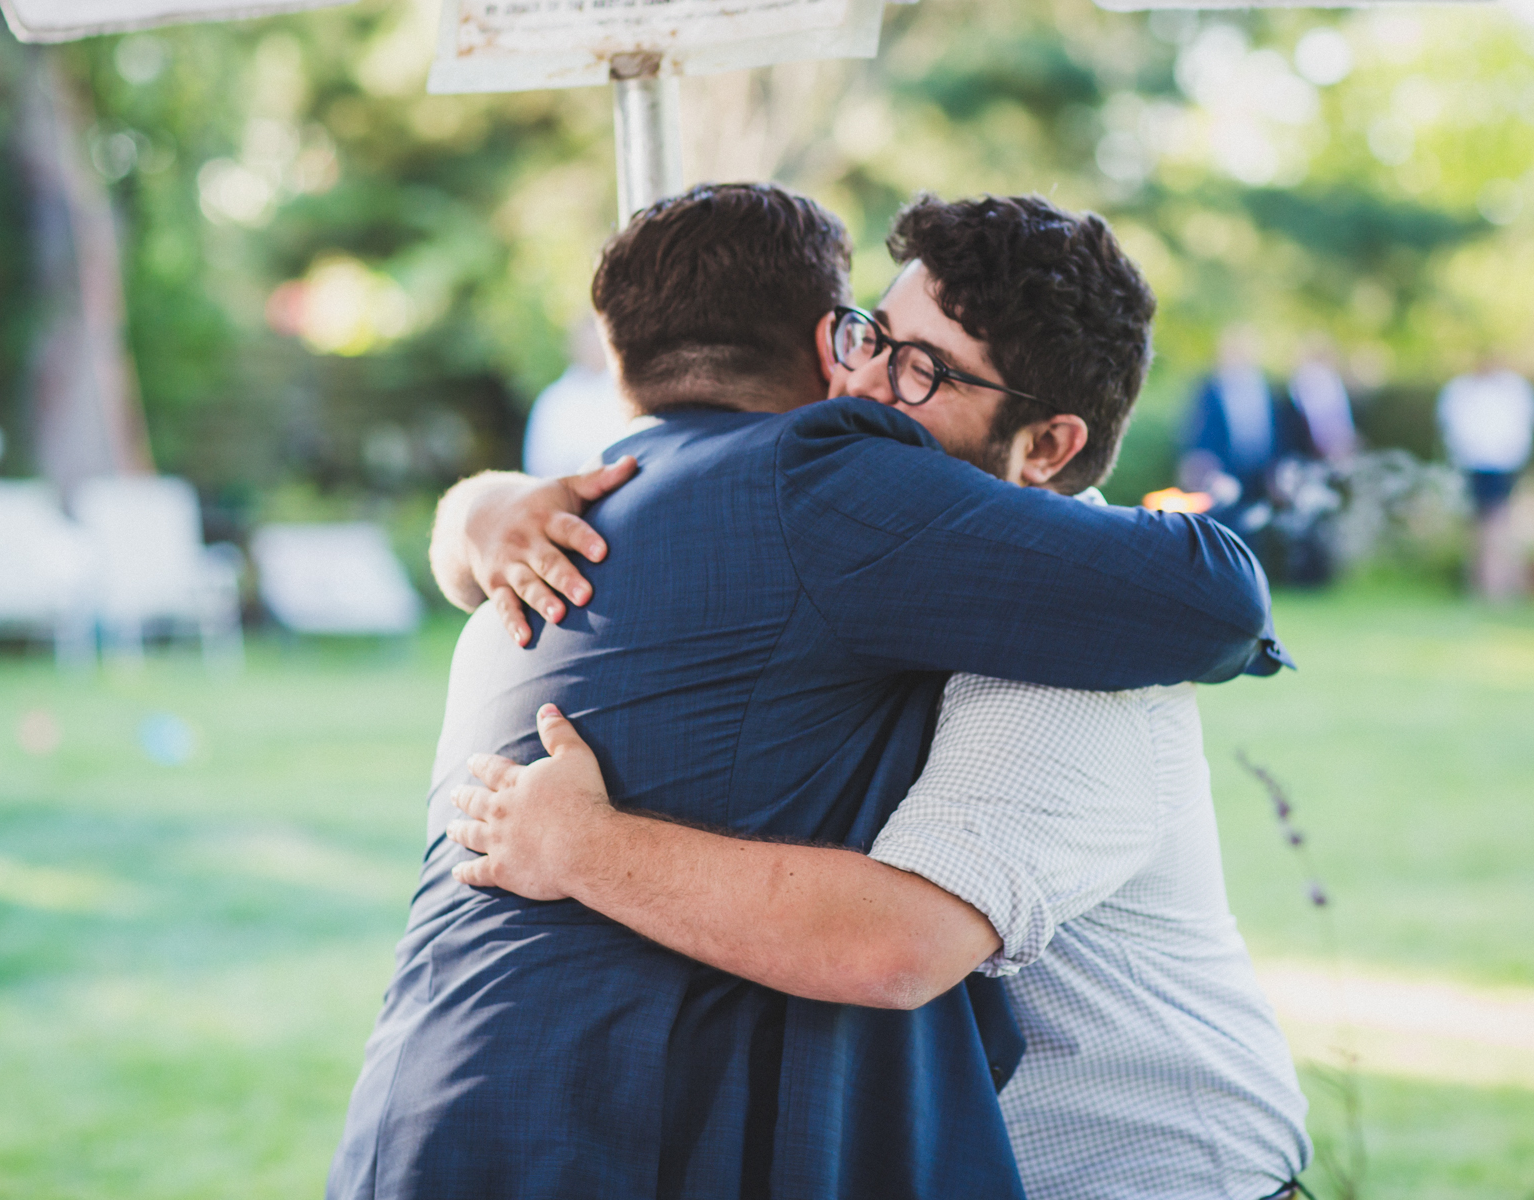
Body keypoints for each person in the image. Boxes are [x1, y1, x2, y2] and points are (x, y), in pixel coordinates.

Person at [325, 185, 1287, 1200]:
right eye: (873, 335)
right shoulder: (822, 542)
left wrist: (587, 846)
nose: (865, 380)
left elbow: (891, 946)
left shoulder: (1084, 654)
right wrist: (487, 511)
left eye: (921, 368)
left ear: (1049, 446)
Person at [1438, 352, 1534, 600]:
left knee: (1496, 521)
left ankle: (1497, 583)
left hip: (1502, 462)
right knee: (1483, 522)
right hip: (1475, 462)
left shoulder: (1514, 389)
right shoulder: (1461, 390)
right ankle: (1487, 581)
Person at [1179, 326, 1278, 534]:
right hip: (1222, 470)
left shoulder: (1265, 387)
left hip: (1259, 473)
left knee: (1255, 530)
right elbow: (1197, 431)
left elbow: (1275, 431)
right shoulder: (1210, 388)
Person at [521, 316, 630, 477]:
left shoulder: (627, 394)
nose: (593, 348)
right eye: (587, 341)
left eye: (598, 341)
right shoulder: (553, 399)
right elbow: (539, 462)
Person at [1287, 335, 1358, 464]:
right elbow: (1315, 417)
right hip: (1323, 447)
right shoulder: (1309, 378)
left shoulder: (1330, 377)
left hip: (1335, 443)